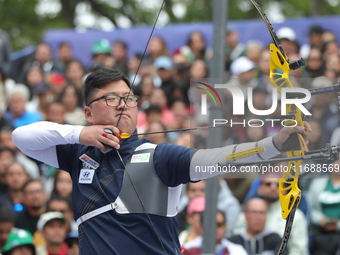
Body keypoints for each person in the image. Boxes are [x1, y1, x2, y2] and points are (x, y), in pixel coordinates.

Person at [12, 67, 310, 254]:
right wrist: (81, 134)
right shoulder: (78, 154)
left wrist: (273, 144)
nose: (124, 106)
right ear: (89, 112)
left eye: (129, 98)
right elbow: (22, 137)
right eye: (112, 99)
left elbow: (222, 159)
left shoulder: (160, 156)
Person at [181, 196, 248, 255]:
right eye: (211, 224)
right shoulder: (187, 249)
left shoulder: (236, 251)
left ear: (225, 227)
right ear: (202, 227)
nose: (215, 228)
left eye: (219, 224)